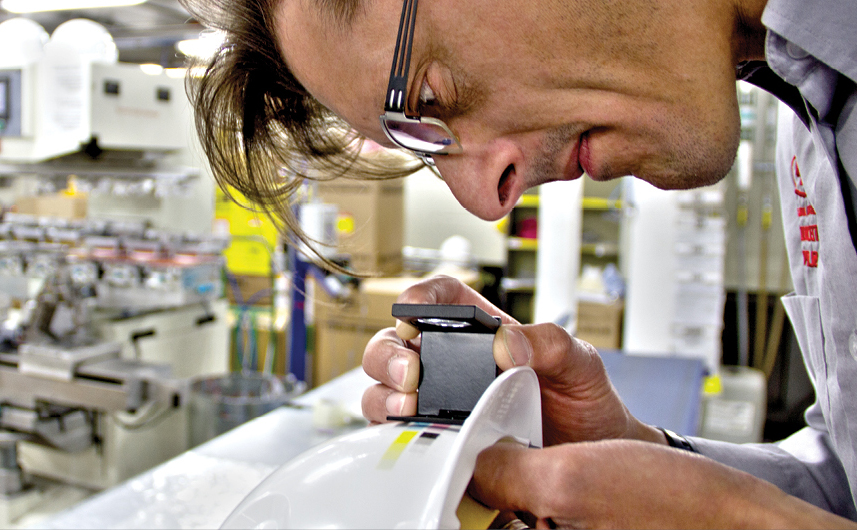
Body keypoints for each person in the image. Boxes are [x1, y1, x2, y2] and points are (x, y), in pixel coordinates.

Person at [180, 0, 857, 527]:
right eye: (425, 145)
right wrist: (636, 455)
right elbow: (845, 487)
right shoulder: (813, 136)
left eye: (430, 98)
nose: (486, 201)